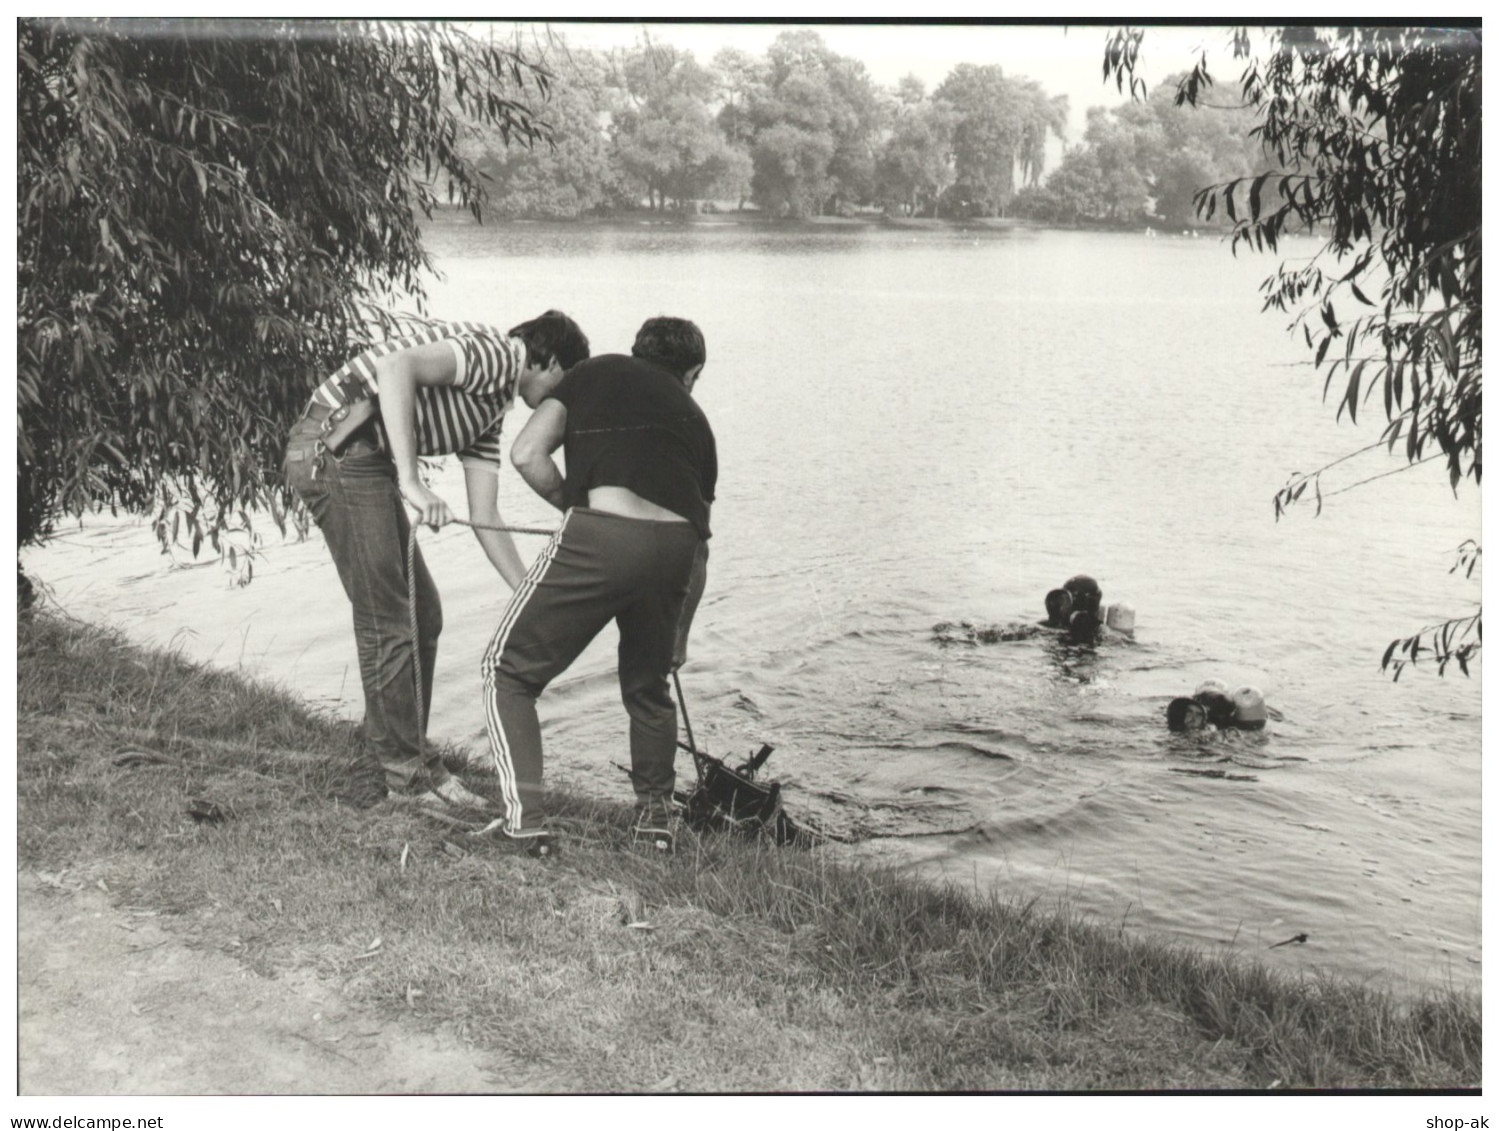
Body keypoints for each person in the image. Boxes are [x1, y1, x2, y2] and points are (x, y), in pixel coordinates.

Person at [283, 311, 589, 808]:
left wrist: (529, 592)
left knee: (422, 614)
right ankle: (404, 778)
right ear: (548, 360)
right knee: (389, 618)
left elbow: (485, 514)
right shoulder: (496, 354)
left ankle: (399, 754)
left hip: (363, 460)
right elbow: (396, 366)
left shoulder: (491, 413)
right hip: (335, 450)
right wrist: (411, 480)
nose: (563, 402)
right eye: (565, 385)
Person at [479, 316, 717, 857]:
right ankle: (655, 826)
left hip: (602, 538)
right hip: (674, 552)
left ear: (637, 349)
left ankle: (527, 827)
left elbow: (525, 455)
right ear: (692, 371)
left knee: (508, 671)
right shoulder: (698, 421)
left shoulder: (596, 371)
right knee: (648, 686)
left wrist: (578, 511)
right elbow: (700, 547)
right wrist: (679, 637)